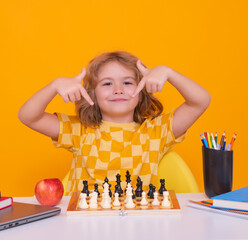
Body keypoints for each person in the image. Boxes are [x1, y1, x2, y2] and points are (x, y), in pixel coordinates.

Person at [18, 51, 210, 195]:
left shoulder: (156, 132)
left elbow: (200, 101)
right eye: (107, 84)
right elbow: (28, 116)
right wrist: (54, 85)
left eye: (127, 83)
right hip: (84, 227)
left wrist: (168, 72)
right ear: (91, 93)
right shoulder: (78, 131)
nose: (118, 90)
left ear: (142, 89)